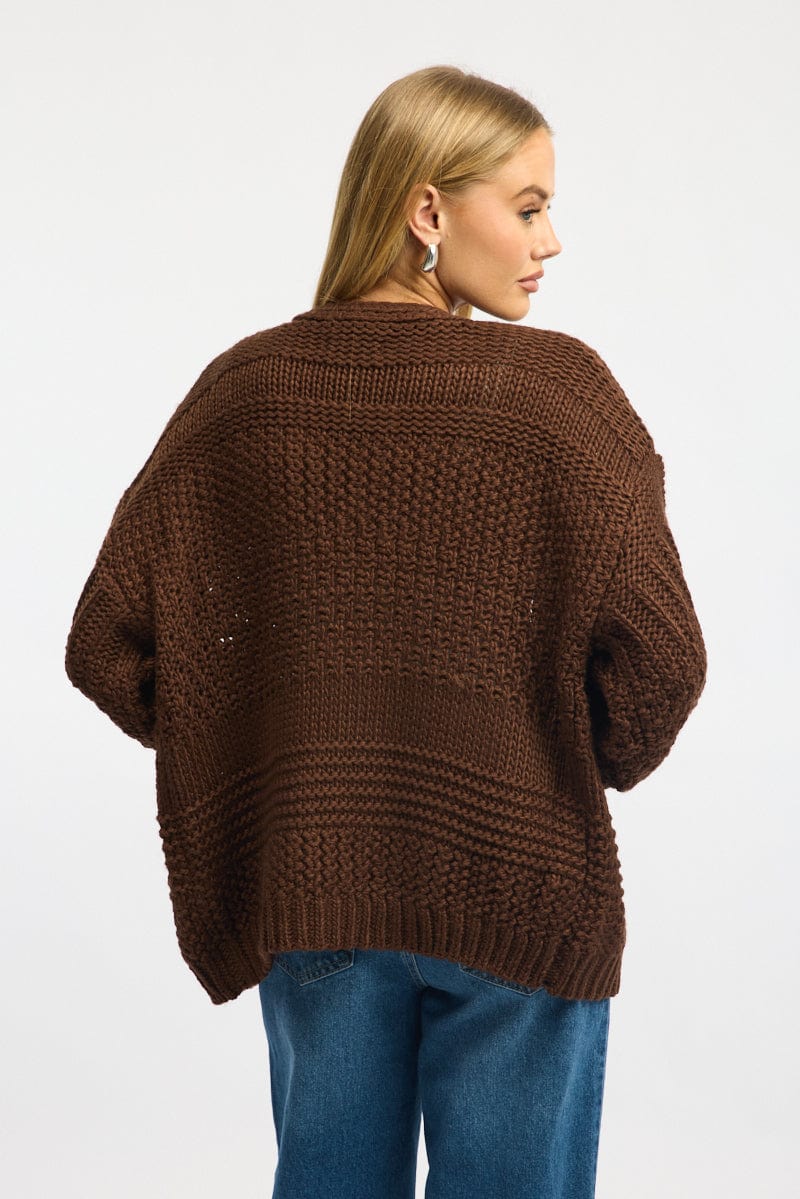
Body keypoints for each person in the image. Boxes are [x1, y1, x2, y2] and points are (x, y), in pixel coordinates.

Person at [64, 64, 707, 1199]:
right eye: (526, 207)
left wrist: (264, 746)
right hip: (515, 884)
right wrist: (556, 754)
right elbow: (662, 664)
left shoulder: (246, 392)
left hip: (317, 884)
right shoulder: (558, 396)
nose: (550, 240)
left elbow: (110, 642)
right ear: (426, 210)